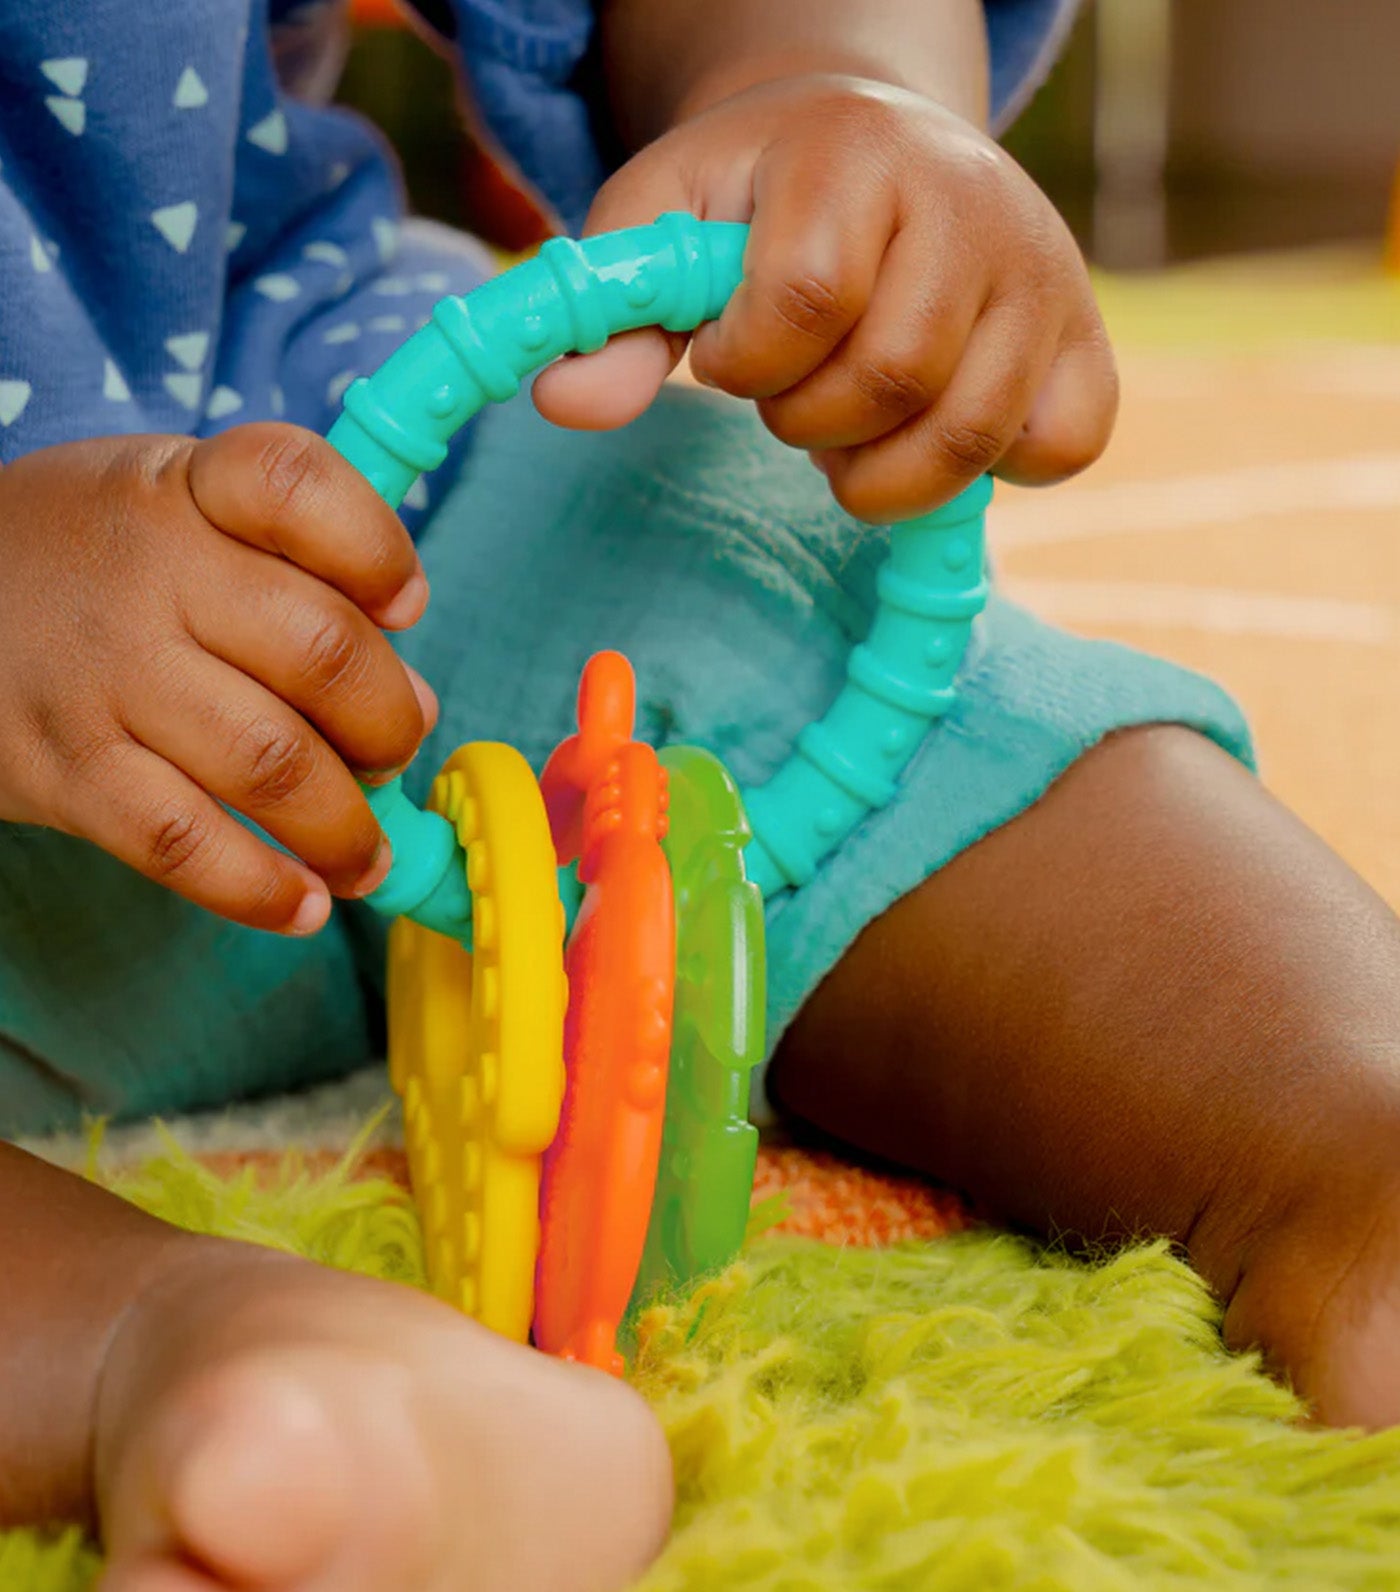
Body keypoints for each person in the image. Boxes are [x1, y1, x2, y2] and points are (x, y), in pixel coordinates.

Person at [1, 2, 1397, 1587]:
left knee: (762, 592)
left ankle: (1351, 1134)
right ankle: (182, 1354)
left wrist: (831, 97)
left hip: (325, 460)